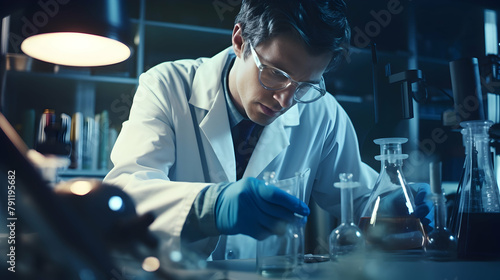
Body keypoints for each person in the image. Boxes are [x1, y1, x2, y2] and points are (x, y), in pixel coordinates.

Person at [104, 0, 431, 261]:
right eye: (275, 73)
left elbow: (356, 196)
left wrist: (390, 202)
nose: (286, 99)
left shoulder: (322, 111)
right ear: (239, 41)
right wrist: (211, 207)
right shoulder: (167, 85)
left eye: (306, 84)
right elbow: (125, 192)